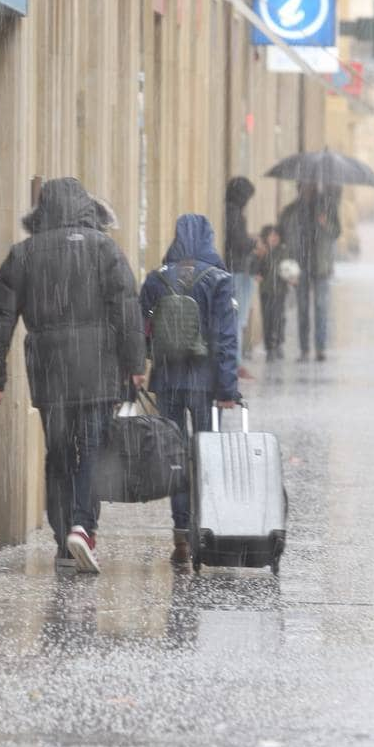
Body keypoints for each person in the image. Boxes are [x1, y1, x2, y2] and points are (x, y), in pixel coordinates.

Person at [0, 177, 146, 573]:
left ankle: (63, 539)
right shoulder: (104, 248)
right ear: (86, 208)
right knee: (92, 449)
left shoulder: (24, 254)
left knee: (59, 452)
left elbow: (2, 318)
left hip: (49, 373)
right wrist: (134, 365)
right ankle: (83, 524)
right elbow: (127, 310)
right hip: (97, 369)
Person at [140, 214, 239, 564]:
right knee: (206, 455)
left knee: (175, 458)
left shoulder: (157, 279)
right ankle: (205, 526)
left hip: (167, 380)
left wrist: (139, 368)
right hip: (205, 382)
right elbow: (226, 339)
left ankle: (181, 533)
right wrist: (227, 388)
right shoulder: (218, 280)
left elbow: (142, 328)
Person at [279, 182, 341, 362]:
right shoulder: (291, 210)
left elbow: (337, 231)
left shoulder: (328, 206)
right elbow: (282, 234)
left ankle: (320, 348)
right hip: (300, 266)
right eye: (303, 185)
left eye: (309, 184)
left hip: (321, 265)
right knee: (303, 308)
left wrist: (325, 223)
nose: (307, 188)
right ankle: (305, 349)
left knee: (321, 307)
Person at [224, 176, 257, 378]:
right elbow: (238, 242)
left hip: (236, 269)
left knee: (238, 317)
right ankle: (235, 362)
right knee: (238, 318)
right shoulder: (234, 214)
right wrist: (253, 244)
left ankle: (236, 360)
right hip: (237, 270)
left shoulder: (232, 213)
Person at [253, 224, 291, 361]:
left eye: (276, 236)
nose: (274, 238)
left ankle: (278, 342)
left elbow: (289, 268)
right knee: (267, 318)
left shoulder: (283, 251)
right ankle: (269, 346)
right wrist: (257, 273)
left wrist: (291, 277)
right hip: (266, 290)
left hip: (280, 290)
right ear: (266, 237)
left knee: (279, 317)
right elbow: (256, 266)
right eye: (271, 236)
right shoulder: (263, 251)